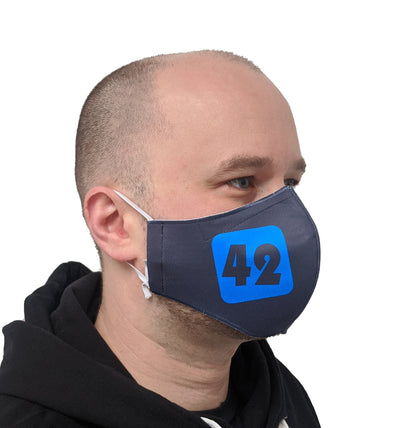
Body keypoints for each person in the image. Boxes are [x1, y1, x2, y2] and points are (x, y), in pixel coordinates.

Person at [0, 50, 321, 427]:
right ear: (115, 223)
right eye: (241, 181)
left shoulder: (281, 399)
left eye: (289, 184)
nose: (286, 223)